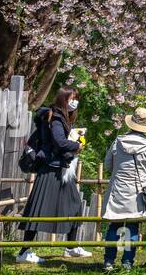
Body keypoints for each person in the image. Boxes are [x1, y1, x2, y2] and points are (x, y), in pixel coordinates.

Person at [16, 86, 92, 263]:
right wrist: (77, 146)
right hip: (51, 168)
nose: (75, 102)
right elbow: (59, 142)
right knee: (38, 210)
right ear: (64, 99)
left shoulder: (61, 118)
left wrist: (74, 134)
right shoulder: (55, 117)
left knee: (75, 206)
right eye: (72, 98)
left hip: (61, 169)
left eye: (77, 98)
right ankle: (24, 252)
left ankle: (71, 247)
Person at [101, 107, 146, 272]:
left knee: (114, 225)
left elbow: (107, 165)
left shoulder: (118, 141)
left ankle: (108, 262)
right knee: (133, 227)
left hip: (117, 189)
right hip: (137, 192)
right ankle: (127, 262)